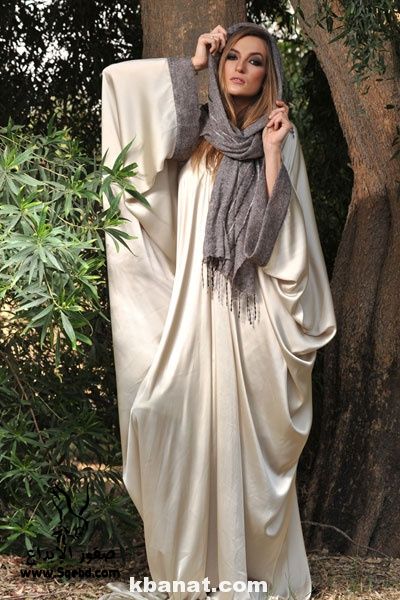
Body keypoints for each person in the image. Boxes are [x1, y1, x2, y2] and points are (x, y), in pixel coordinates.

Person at [100, 21, 337, 600]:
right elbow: (121, 92)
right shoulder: (195, 134)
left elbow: (269, 244)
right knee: (161, 415)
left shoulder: (280, 137)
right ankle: (193, 568)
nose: (241, 68)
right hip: (193, 315)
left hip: (251, 319)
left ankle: (245, 569)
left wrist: (272, 155)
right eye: (232, 56)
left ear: (268, 74)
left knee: (247, 456)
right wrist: (194, 63)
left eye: (255, 61)